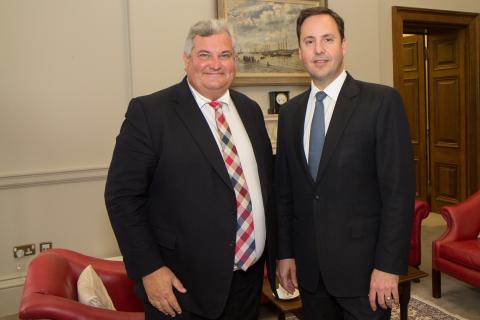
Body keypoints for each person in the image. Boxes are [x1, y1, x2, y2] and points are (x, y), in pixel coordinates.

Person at [105, 19, 276, 320]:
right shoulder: (150, 113)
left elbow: (265, 189)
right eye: (204, 55)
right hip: (181, 289)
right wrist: (149, 269)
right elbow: (122, 197)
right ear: (186, 60)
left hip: (248, 285)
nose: (215, 64)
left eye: (224, 55)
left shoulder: (250, 111)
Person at [275, 7, 415, 320]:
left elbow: (398, 194)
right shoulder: (290, 114)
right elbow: (285, 193)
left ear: (344, 45)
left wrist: (388, 267)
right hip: (311, 275)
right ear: (300, 51)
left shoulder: (381, 103)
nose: (319, 49)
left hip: (365, 275)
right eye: (309, 41)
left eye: (328, 39)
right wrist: (285, 253)